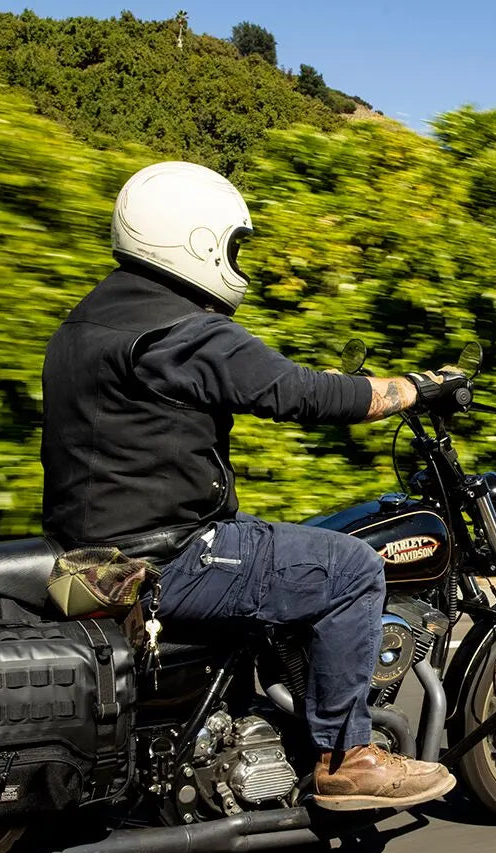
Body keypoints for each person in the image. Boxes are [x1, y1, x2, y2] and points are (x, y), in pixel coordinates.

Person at [40, 160, 467, 810]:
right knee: (353, 566)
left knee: (285, 547)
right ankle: (348, 758)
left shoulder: (83, 323)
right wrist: (412, 388)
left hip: (90, 555)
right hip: (171, 557)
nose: (236, 261)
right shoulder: (183, 330)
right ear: (198, 241)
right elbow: (300, 392)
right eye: (234, 246)